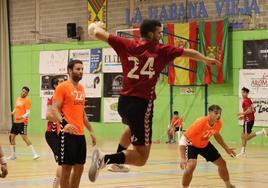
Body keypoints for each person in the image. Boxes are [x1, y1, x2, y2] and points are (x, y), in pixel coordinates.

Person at [87, 19, 220, 182]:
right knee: (141, 157)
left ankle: (116, 162)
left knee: (131, 129)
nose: (161, 35)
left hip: (124, 102)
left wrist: (97, 26)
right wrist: (205, 59)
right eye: (159, 32)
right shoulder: (161, 50)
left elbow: (96, 32)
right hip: (142, 105)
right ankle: (105, 159)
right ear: (151, 34)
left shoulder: (126, 44)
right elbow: (189, 52)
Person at [47, 59, 96, 188]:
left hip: (80, 134)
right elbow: (54, 108)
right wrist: (63, 124)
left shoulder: (81, 88)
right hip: (67, 134)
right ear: (70, 71)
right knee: (66, 169)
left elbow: (82, 113)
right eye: (78, 69)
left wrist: (91, 130)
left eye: (82, 69)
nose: (81, 72)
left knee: (79, 168)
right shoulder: (62, 87)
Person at [179, 105, 236, 188]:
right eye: (216, 113)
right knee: (191, 166)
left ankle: (228, 185)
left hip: (205, 144)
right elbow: (183, 138)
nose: (219, 115)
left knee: (222, 164)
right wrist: (182, 158)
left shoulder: (218, 124)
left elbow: (216, 134)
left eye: (220, 113)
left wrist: (226, 148)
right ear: (209, 113)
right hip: (192, 144)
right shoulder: (200, 123)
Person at [7, 86, 40, 160]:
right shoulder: (18, 98)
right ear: (21, 91)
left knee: (24, 138)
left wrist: (21, 117)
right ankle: (13, 155)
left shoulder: (27, 101)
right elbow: (16, 107)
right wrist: (12, 112)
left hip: (22, 122)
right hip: (15, 122)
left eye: (25, 92)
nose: (23, 93)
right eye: (23, 91)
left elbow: (28, 113)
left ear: (27, 94)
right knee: (11, 137)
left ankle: (35, 154)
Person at [236, 87, 267, 157]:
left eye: (243, 92)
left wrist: (241, 113)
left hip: (248, 120)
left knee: (245, 137)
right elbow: (250, 111)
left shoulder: (246, 101)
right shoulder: (248, 100)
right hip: (249, 119)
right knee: (242, 136)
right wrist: (243, 116)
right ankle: (242, 151)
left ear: (247, 93)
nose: (242, 94)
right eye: (242, 92)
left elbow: (249, 110)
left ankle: (261, 132)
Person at [45, 77, 64, 188]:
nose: (64, 83)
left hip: (63, 133)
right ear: (55, 86)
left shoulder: (65, 98)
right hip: (52, 134)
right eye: (61, 82)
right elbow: (48, 115)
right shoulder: (53, 99)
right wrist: (62, 119)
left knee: (65, 163)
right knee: (62, 162)